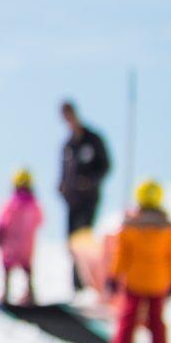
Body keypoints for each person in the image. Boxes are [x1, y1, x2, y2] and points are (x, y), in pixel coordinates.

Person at [108, 179, 171, 343]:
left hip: (135, 280)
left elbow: (121, 255)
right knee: (156, 319)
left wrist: (114, 276)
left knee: (129, 315)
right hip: (158, 281)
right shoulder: (166, 229)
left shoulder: (130, 227)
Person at [58, 100, 113, 292]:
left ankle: (86, 285)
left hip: (88, 199)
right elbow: (64, 172)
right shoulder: (68, 145)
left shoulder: (93, 140)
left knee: (84, 239)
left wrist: (90, 181)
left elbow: (106, 166)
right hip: (72, 201)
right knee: (72, 242)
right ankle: (76, 286)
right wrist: (62, 187)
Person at [0, 168, 45, 306]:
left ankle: (5, 293)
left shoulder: (11, 203)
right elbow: (40, 220)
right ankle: (30, 294)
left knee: (7, 268)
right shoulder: (33, 204)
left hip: (11, 244)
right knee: (27, 269)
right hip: (26, 245)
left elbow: (2, 221)